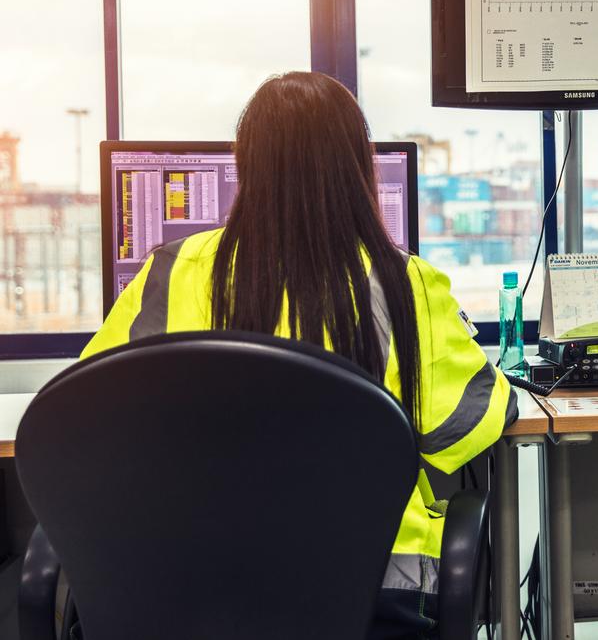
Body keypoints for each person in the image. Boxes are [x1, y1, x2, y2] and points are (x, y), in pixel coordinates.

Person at [82, 72, 515, 639]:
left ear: (247, 166)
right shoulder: (404, 283)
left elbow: (89, 414)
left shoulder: (171, 270)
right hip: (377, 596)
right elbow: (463, 427)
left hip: (186, 595)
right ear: (359, 169)